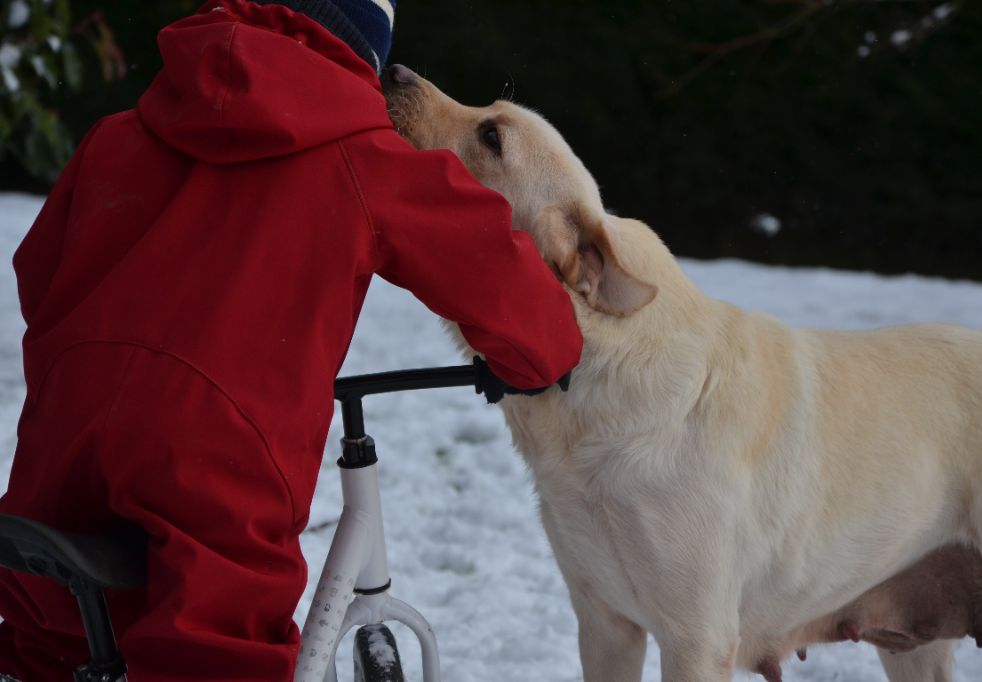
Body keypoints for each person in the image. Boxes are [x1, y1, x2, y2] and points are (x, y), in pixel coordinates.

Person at [0, 0, 582, 679]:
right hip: (215, 458)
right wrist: (544, 353)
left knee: (54, 630)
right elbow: (491, 270)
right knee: (216, 647)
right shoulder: (362, 155)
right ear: (363, 56)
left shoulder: (117, 135)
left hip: (64, 432)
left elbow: (38, 273)